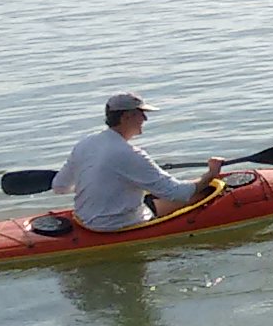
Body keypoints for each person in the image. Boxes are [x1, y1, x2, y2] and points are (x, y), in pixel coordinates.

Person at [52, 94, 222, 231]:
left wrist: (97, 181)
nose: (145, 119)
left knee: (153, 197)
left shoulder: (86, 143)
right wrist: (211, 174)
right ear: (127, 117)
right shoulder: (130, 154)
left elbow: (59, 187)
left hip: (85, 220)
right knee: (200, 193)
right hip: (118, 226)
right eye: (141, 114)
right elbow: (178, 193)